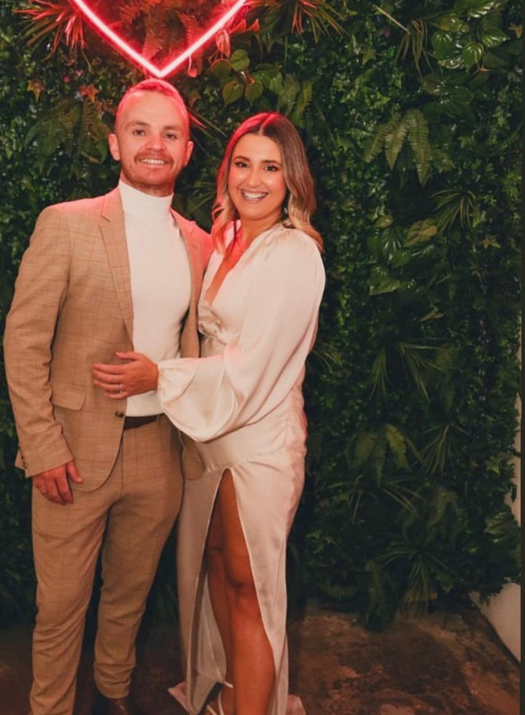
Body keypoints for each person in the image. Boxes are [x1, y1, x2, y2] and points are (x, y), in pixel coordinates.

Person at [93, 113, 325, 715]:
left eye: (270, 167)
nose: (254, 179)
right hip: (210, 435)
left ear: (291, 180)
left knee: (252, 590)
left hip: (260, 439)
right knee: (217, 569)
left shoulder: (295, 254)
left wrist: (158, 376)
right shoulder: (221, 241)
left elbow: (252, 369)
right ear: (225, 173)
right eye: (242, 164)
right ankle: (227, 693)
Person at [3, 78, 212, 715]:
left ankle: (112, 698)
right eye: (140, 131)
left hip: (159, 453)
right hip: (73, 454)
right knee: (61, 609)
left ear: (187, 150)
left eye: (169, 133)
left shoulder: (199, 243)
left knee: (128, 600)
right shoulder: (66, 225)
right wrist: (42, 448)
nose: (156, 144)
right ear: (114, 144)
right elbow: (24, 341)